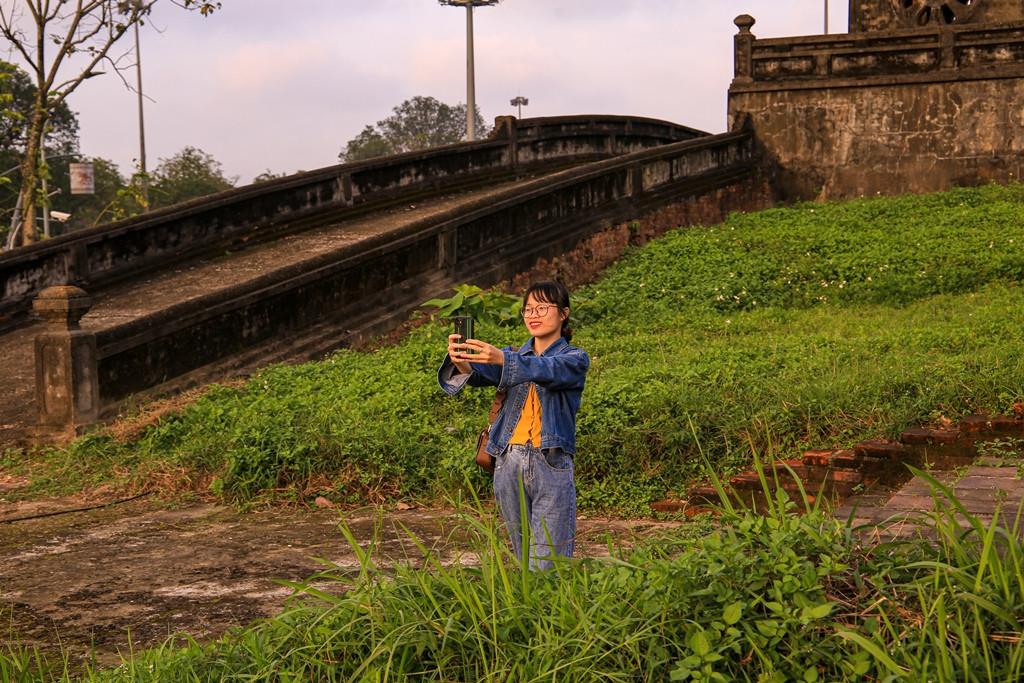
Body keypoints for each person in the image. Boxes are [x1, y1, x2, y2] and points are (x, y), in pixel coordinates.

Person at [438, 281, 589, 571]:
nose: (533, 315)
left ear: (563, 313)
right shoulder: (513, 354)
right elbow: (478, 374)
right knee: (522, 556)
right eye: (528, 309)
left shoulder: (574, 358)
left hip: (550, 462)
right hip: (508, 461)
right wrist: (462, 361)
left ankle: (550, 599)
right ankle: (525, 600)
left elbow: (550, 370)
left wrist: (503, 359)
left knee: (548, 564)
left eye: (542, 308)